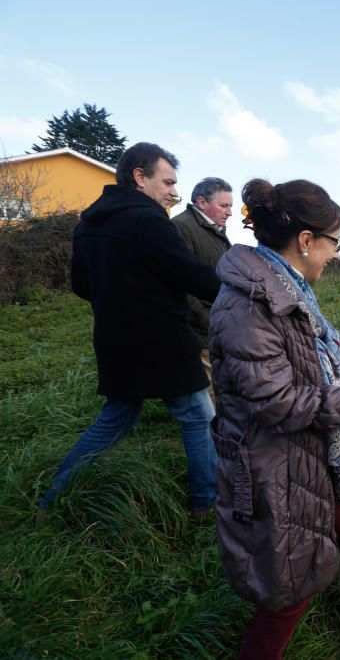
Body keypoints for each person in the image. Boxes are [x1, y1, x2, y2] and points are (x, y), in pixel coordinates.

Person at [210, 178, 340, 658]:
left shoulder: (281, 282)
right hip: (275, 459)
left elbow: (299, 349)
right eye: (333, 242)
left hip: (311, 451)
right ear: (306, 240)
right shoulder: (250, 302)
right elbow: (275, 401)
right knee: (290, 585)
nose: (333, 254)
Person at [37, 142, 220, 520]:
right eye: (168, 182)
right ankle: (207, 501)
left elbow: (81, 285)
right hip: (164, 340)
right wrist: (237, 286)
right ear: (140, 177)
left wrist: (119, 299)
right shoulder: (149, 219)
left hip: (115, 340)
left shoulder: (88, 223)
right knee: (198, 417)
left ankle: (53, 499)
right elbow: (189, 273)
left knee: (117, 418)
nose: (173, 191)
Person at [170, 177, 233, 403]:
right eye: (223, 206)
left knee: (222, 387)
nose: (229, 212)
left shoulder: (214, 230)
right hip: (202, 329)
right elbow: (179, 282)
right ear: (201, 202)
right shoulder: (181, 227)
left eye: (230, 206)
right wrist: (205, 320)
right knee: (209, 395)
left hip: (221, 324)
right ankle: (210, 436)